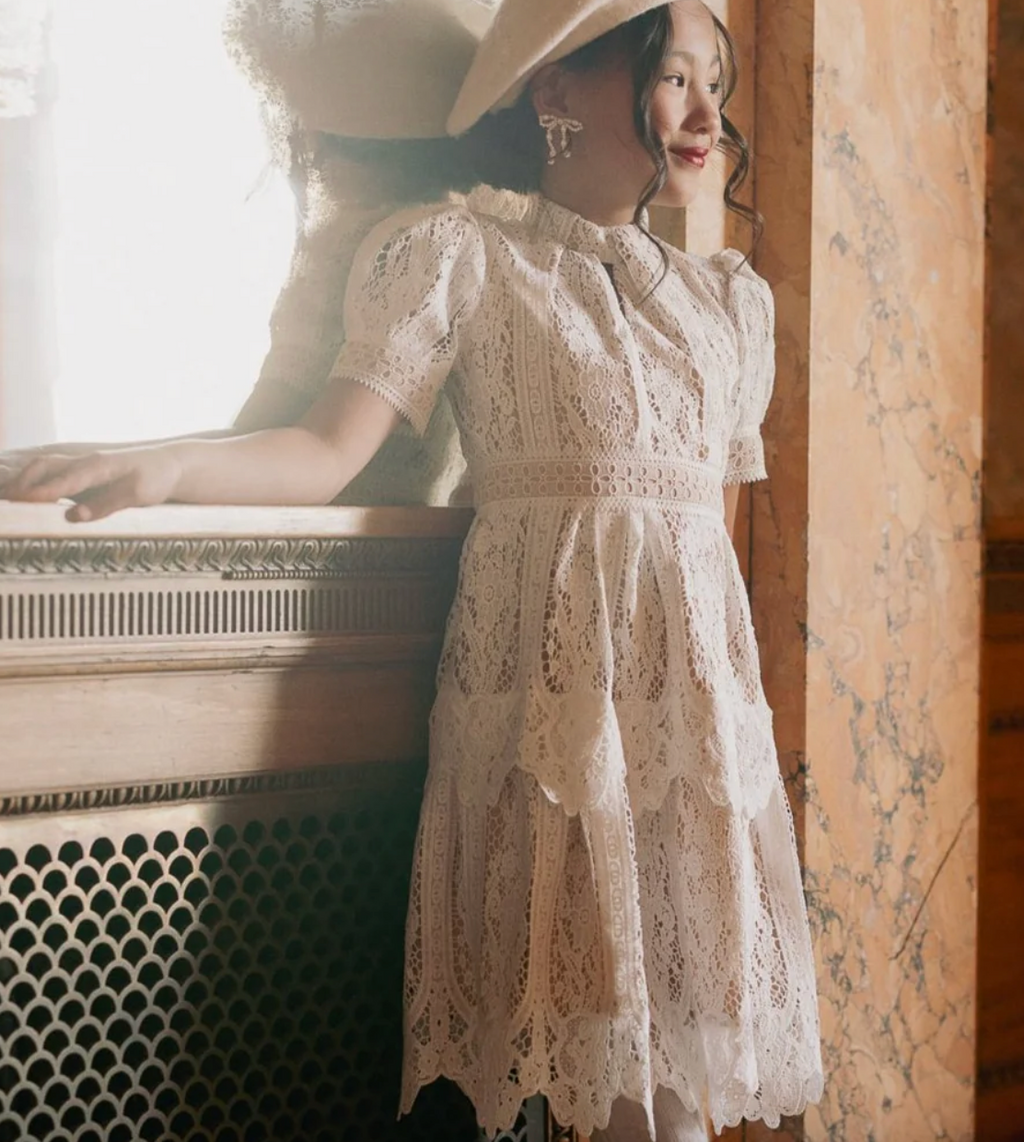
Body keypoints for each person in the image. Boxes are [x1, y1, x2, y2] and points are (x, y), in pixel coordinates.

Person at [1, 0, 825, 1138]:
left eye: (714, 83)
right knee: (605, 1096)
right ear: (554, 91)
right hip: (558, 728)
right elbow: (322, 449)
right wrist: (163, 467)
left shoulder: (725, 303)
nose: (705, 114)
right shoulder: (464, 255)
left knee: (682, 1096)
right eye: (672, 75)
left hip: (691, 736)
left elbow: (699, 543)